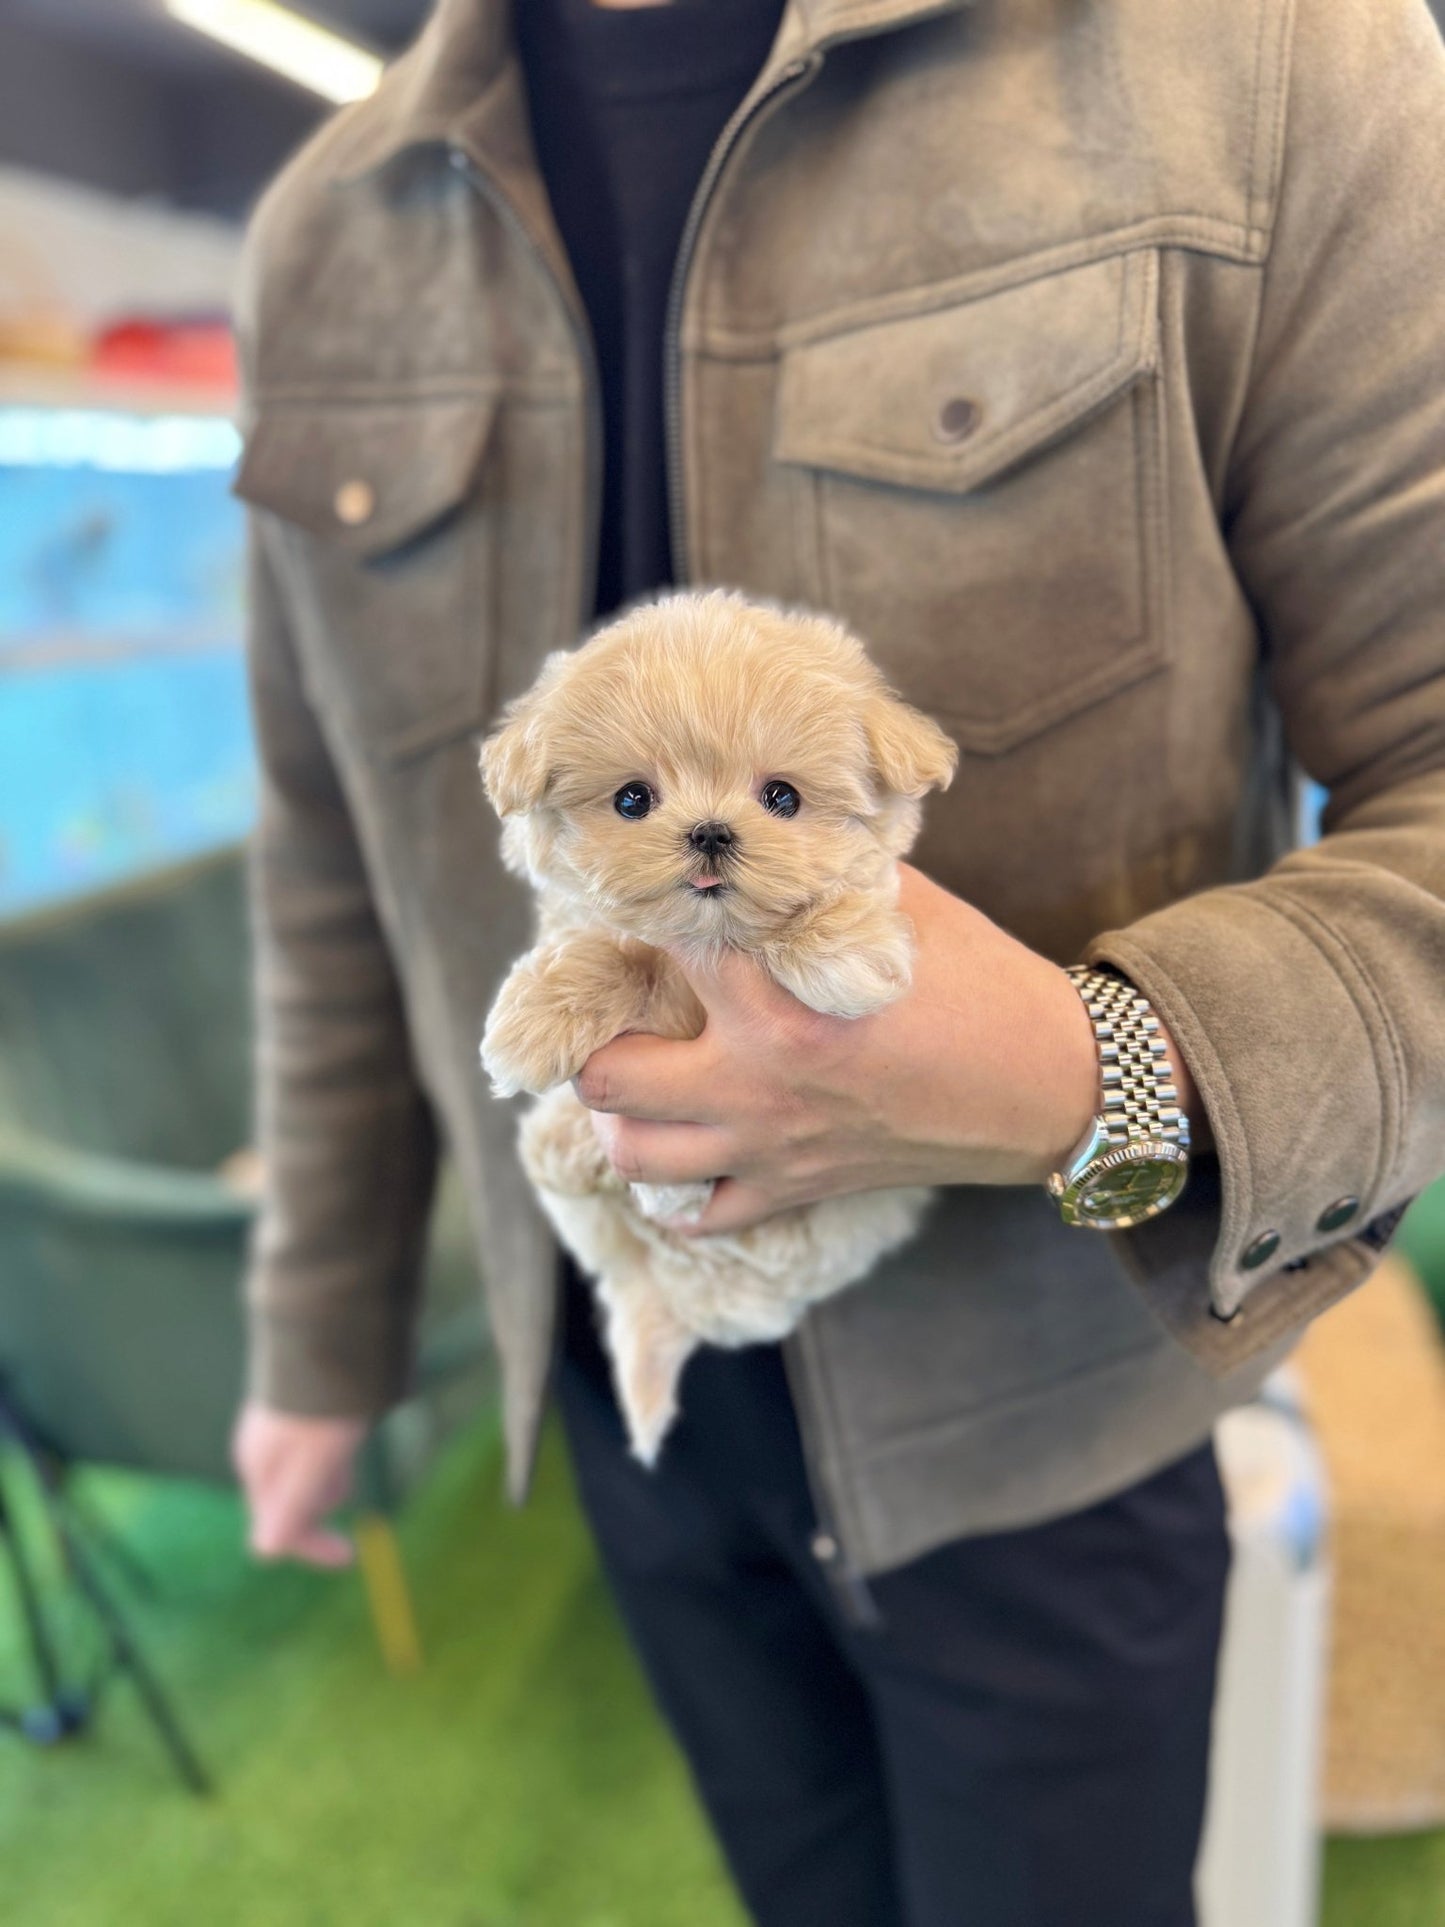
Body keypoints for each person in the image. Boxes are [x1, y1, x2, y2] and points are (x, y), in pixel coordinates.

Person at [230, 0, 1445, 1919]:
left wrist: (1091, 1071)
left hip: (1045, 1412)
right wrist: (317, 1336)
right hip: (624, 1388)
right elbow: (335, 862)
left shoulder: (1266, 61)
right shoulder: (328, 227)